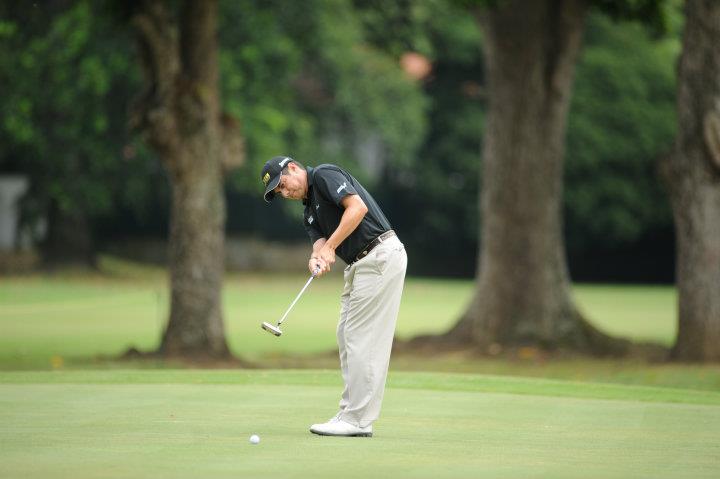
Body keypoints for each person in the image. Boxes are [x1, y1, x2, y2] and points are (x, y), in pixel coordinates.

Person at [261, 155, 407, 438]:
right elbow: (319, 248)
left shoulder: (324, 175)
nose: (284, 192)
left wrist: (330, 246)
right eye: (278, 192)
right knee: (346, 335)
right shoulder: (308, 214)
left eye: (282, 184)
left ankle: (357, 420)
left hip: (379, 256)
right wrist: (317, 258)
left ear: (293, 168)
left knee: (359, 337)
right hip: (360, 265)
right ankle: (350, 413)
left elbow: (357, 208)